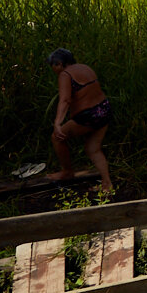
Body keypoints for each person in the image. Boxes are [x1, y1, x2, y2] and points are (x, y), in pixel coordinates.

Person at [45, 49, 112, 192]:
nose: (53, 69)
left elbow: (65, 100)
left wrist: (57, 123)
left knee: (57, 137)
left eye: (53, 66)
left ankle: (67, 172)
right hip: (104, 109)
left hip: (89, 115)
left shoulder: (65, 74)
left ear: (59, 64)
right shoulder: (85, 68)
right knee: (93, 149)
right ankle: (107, 184)